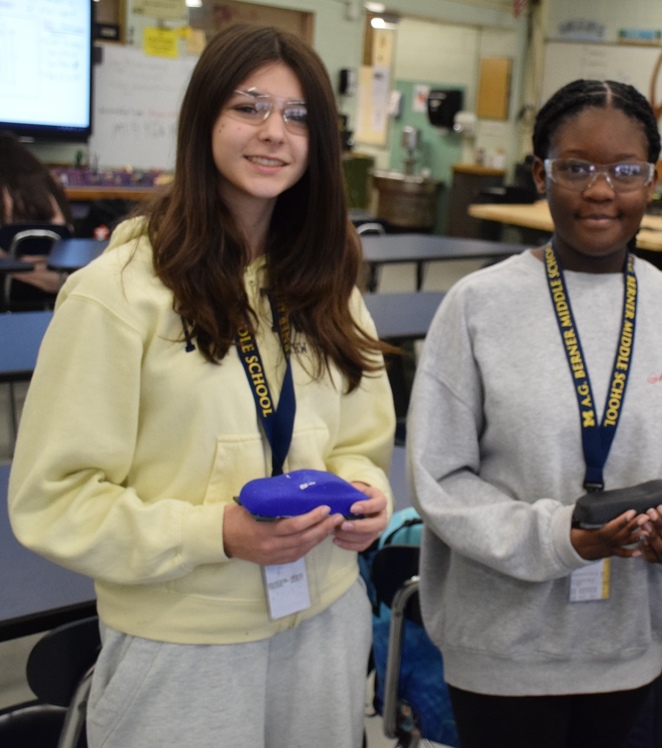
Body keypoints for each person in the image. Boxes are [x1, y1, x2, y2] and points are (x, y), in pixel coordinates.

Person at [8, 24, 395, 747]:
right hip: (186, 647)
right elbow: (54, 501)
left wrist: (367, 496)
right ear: (202, 120)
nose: (275, 133)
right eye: (249, 107)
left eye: (299, 115)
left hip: (327, 619)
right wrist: (216, 532)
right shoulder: (116, 295)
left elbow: (362, 441)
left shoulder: (326, 284)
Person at [406, 78, 662, 748]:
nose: (601, 190)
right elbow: (441, 479)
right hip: (499, 650)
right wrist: (557, 536)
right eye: (576, 168)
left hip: (626, 645)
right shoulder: (477, 308)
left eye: (626, 171)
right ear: (540, 174)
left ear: (653, 182)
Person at [0, 129, 72, 298]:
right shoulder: (47, 183)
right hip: (56, 282)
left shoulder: (5, 194)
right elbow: (64, 228)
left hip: (10, 284)